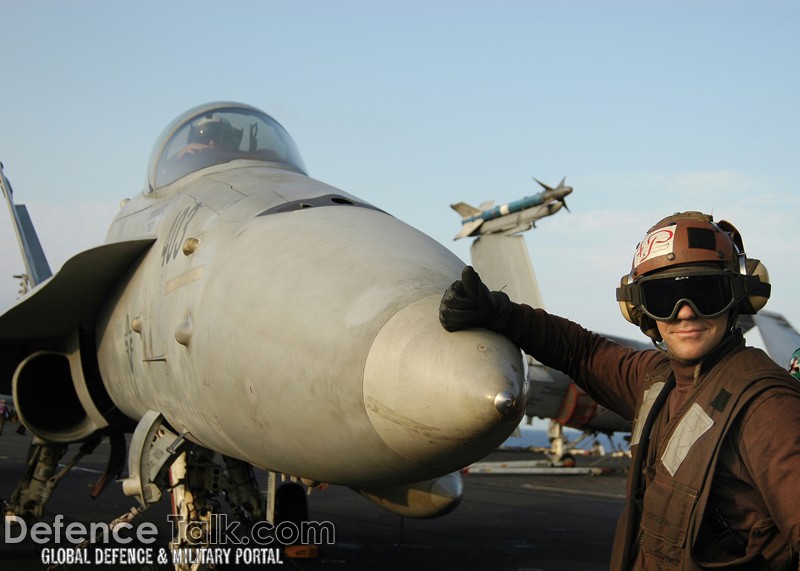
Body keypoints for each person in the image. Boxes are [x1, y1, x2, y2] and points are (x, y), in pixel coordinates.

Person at [439, 211, 800, 570]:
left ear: (737, 298)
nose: (685, 313)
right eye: (664, 297)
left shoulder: (768, 408)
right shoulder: (656, 380)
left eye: (706, 294)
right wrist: (500, 313)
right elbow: (580, 350)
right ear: (639, 310)